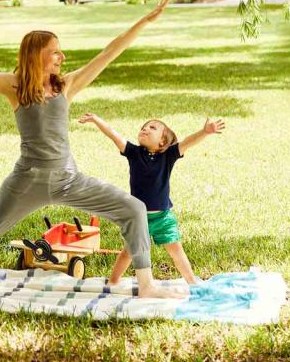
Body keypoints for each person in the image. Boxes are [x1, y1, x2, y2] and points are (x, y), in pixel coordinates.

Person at [0, 0, 186, 300]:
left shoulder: (65, 85)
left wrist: (144, 21)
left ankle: (147, 285)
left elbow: (109, 52)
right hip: (27, 181)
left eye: (60, 50)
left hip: (68, 179)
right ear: (36, 55)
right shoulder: (13, 87)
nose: (61, 56)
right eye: (54, 51)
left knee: (134, 209)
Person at [77, 113, 225, 285]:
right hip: (138, 218)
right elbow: (113, 134)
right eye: (143, 127)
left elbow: (187, 142)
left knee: (176, 251)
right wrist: (96, 119)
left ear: (162, 141)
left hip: (163, 217)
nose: (145, 129)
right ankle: (112, 282)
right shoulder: (134, 153)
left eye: (152, 127)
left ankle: (192, 283)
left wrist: (205, 132)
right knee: (128, 252)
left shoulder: (168, 156)